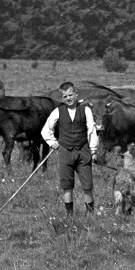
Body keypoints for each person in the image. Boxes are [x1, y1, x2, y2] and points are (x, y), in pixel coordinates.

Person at [41, 81, 99, 217]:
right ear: (61, 98)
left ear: (76, 94)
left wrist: (94, 150)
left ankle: (90, 215)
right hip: (65, 153)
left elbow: (91, 130)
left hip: (83, 152)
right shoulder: (58, 111)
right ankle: (69, 216)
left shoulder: (85, 109)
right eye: (65, 96)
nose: (69, 98)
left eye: (71, 95)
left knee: (87, 186)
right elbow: (45, 131)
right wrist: (53, 143)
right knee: (67, 186)